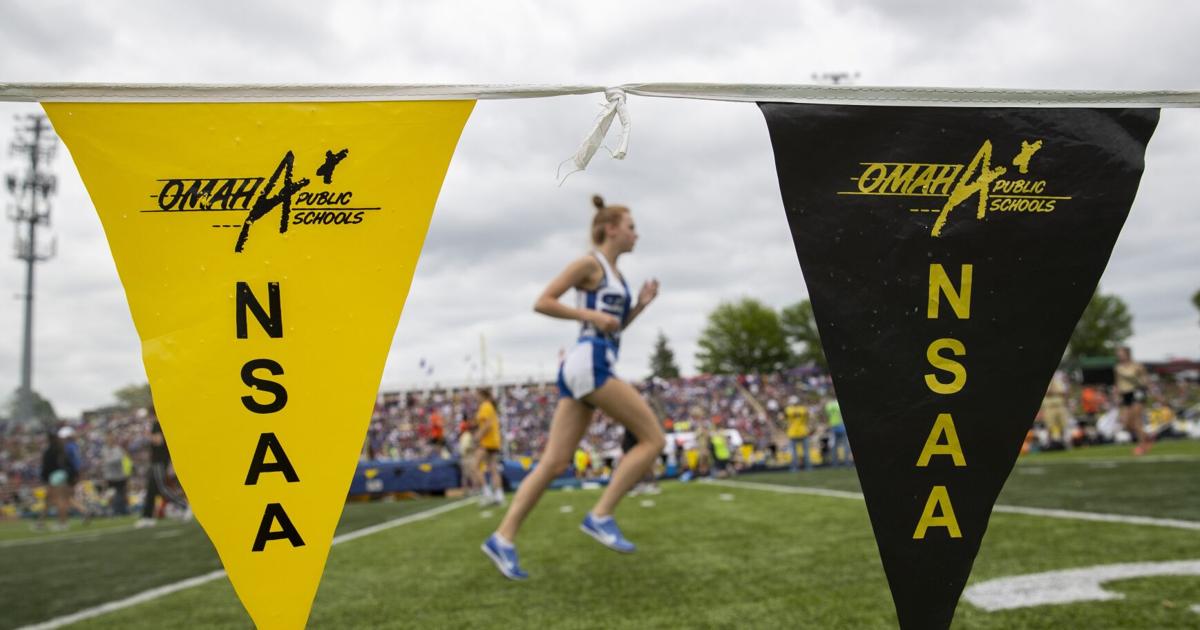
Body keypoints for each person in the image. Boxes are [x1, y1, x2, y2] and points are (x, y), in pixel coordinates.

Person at [482, 195, 665, 580]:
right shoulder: (589, 263)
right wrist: (589, 313)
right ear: (611, 228)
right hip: (589, 359)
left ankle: (503, 537)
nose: (637, 234)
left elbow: (612, 327)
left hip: (588, 362)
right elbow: (543, 302)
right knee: (653, 440)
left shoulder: (616, 274)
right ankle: (601, 515)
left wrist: (640, 308)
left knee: (554, 463)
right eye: (631, 227)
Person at [136, 414, 189, 527]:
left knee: (162, 487)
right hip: (157, 461)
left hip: (159, 461)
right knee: (151, 490)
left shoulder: (157, 424)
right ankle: (147, 517)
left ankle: (183, 505)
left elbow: (159, 441)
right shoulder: (160, 423)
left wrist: (147, 435)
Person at [1114, 346, 1153, 455]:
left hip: (1138, 392)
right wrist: (1117, 396)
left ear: (1127, 354)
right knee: (1127, 424)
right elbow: (1118, 383)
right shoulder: (1118, 368)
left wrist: (1148, 388)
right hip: (1126, 395)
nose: (1119, 355)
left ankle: (1142, 446)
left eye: (1121, 353)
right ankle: (1148, 437)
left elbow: (1146, 379)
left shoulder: (1137, 366)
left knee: (1137, 421)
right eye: (1118, 353)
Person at [474, 389, 505, 507]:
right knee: (493, 469)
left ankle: (487, 494)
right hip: (494, 441)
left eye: (477, 395)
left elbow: (487, 425)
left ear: (482, 395)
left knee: (475, 466)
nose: (476, 398)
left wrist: (477, 437)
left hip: (487, 442)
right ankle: (499, 495)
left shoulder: (485, 406)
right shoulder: (491, 406)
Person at [100, 433, 132, 515]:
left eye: (111, 439)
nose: (109, 440)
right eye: (108, 439)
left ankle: (127, 509)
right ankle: (111, 510)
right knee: (110, 494)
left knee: (123, 493)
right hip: (110, 477)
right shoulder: (104, 450)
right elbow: (104, 463)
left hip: (120, 476)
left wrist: (127, 474)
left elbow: (121, 460)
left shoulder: (118, 449)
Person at [785, 395, 812, 471]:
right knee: (806, 452)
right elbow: (808, 417)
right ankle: (808, 467)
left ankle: (794, 468)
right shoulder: (803, 409)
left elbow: (785, 418)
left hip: (793, 432)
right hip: (803, 431)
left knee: (794, 452)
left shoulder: (788, 409)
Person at [825, 394, 850, 467]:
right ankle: (847, 463)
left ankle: (835, 463)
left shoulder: (828, 405)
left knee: (834, 446)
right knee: (845, 445)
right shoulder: (837, 404)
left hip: (833, 426)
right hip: (841, 426)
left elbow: (827, 416)